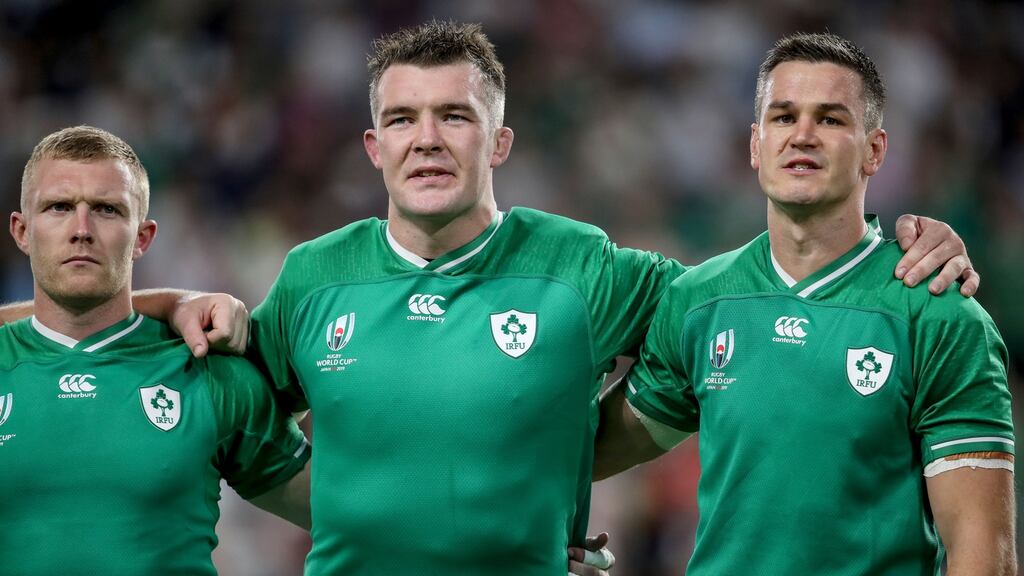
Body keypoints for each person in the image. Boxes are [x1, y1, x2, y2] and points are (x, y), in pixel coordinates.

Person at [0, 22, 981, 576]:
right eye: (402, 119)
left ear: (498, 141)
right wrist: (168, 297)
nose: (428, 138)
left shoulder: (586, 269)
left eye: (455, 116)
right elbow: (153, 367)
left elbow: (760, 305)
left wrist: (904, 239)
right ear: (373, 147)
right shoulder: (312, 278)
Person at [594, 32, 1016, 575]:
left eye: (832, 119)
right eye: (783, 116)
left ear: (874, 150)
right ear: (755, 144)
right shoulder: (698, 299)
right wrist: (535, 535)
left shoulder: (939, 313)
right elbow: (587, 454)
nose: (803, 136)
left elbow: (985, 556)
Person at [0, 126, 312, 575]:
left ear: (143, 237)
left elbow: (351, 521)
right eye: (59, 207)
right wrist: (174, 300)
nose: (81, 229)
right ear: (22, 231)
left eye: (107, 209)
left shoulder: (206, 371)